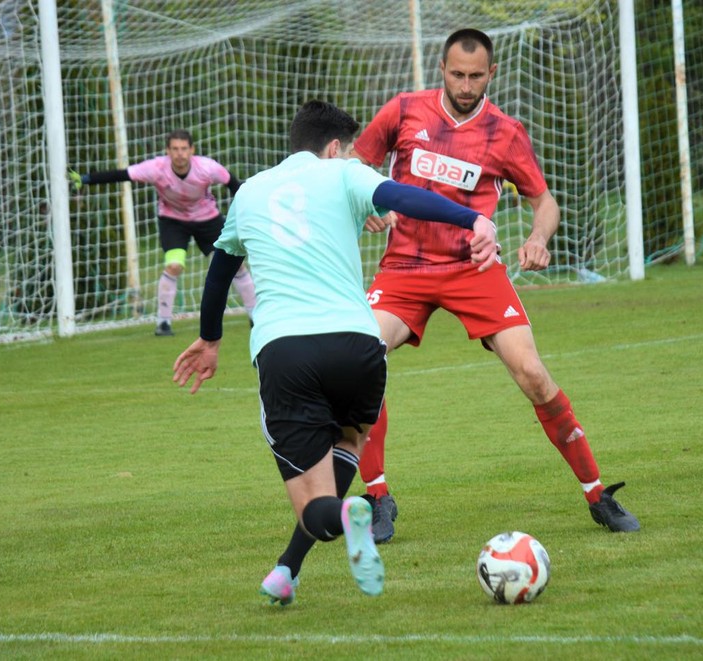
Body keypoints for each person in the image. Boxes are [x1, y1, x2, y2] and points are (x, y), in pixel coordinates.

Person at [172, 100, 498, 606]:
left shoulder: (251, 191)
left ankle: (347, 518)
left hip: (286, 351)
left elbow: (220, 270)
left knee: (315, 508)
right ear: (333, 148)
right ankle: (287, 570)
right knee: (346, 444)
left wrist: (210, 338)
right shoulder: (345, 173)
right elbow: (402, 195)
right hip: (359, 347)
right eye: (349, 152)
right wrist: (473, 219)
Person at [350, 28, 640, 543]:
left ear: (492, 73)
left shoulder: (505, 132)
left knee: (532, 373)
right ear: (442, 69)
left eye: (476, 76)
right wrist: (364, 202)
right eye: (457, 75)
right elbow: (354, 164)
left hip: (474, 268)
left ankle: (598, 494)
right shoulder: (404, 110)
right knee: (360, 359)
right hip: (405, 268)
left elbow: (543, 202)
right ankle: (377, 498)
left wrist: (538, 237)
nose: (466, 85)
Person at [69, 129, 256, 336]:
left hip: (208, 219)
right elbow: (123, 174)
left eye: (183, 148)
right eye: (175, 149)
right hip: (173, 221)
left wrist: (247, 212)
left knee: (236, 266)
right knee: (174, 266)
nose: (179, 153)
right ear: (168, 151)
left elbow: (234, 185)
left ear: (191, 150)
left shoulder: (207, 167)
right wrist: (86, 179)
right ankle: (163, 323)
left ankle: (256, 316)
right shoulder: (156, 168)